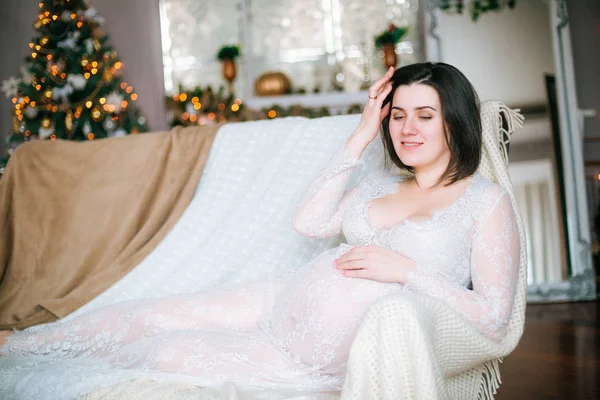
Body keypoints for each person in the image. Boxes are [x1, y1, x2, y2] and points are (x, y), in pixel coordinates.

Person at [0, 62, 520, 399]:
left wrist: (405, 271)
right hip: (279, 299)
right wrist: (361, 132)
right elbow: (310, 222)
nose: (407, 129)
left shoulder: (483, 202)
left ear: (454, 120)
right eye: (397, 115)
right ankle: (19, 346)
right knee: (152, 313)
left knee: (167, 353)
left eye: (424, 116)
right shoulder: (381, 183)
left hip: (305, 356)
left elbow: (495, 318)